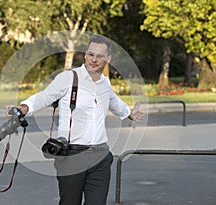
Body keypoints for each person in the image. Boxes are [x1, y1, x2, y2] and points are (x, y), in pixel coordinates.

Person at [9, 34, 145, 205]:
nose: (93, 59)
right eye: (90, 54)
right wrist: (25, 107)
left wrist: (129, 113)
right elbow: (44, 97)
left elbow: (113, 101)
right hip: (71, 156)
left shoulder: (105, 84)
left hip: (100, 156)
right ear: (85, 54)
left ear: (108, 58)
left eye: (99, 56)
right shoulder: (69, 78)